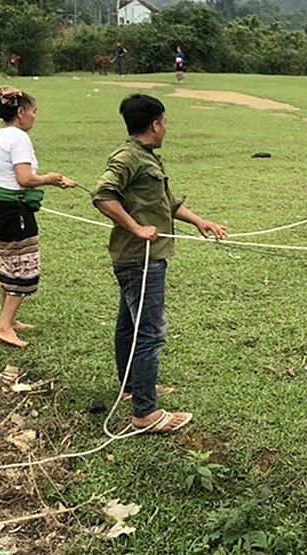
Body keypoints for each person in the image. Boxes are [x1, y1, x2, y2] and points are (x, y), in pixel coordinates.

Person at [92, 94, 227, 433]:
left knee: (129, 326)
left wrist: (199, 221)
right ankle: (145, 413)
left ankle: (134, 387)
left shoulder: (146, 157)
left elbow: (165, 203)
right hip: (140, 259)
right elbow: (103, 195)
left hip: (143, 258)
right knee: (150, 331)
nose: (166, 129)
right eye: (165, 123)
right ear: (155, 125)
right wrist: (137, 228)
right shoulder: (128, 158)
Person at [0, 86, 77, 348]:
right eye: (34, 111)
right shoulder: (19, 138)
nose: (35, 117)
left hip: (0, 209)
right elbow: (24, 179)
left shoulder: (0, 136)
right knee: (24, 267)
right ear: (21, 112)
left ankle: (8, 320)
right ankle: (3, 326)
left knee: (8, 263)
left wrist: (54, 181)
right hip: (15, 211)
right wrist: (50, 178)